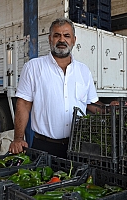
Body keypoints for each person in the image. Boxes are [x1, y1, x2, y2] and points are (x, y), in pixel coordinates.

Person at [9, 18, 107, 158]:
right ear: (50, 39)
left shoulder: (83, 71)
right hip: (44, 146)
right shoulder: (33, 67)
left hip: (78, 146)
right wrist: (18, 138)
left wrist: (111, 110)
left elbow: (90, 104)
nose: (62, 40)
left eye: (66, 36)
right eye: (57, 35)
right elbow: (23, 104)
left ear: (73, 40)